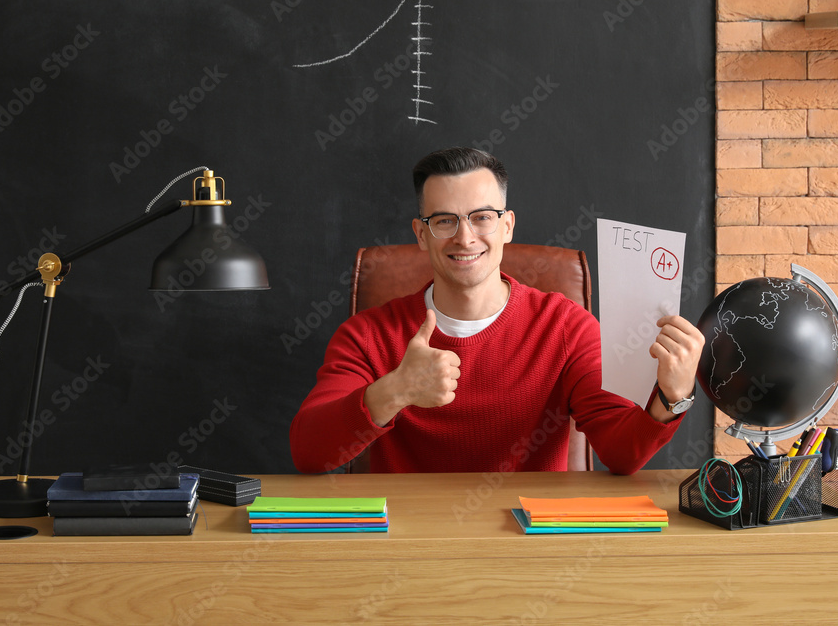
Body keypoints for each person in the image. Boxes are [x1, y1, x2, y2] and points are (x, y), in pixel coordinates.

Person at [290, 147, 704, 474]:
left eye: (482, 217)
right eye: (444, 221)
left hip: (530, 544)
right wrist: (395, 391)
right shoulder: (368, 335)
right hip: (405, 549)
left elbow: (621, 454)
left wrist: (673, 395)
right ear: (421, 234)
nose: (465, 237)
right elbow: (309, 454)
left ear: (507, 226)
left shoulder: (565, 326)